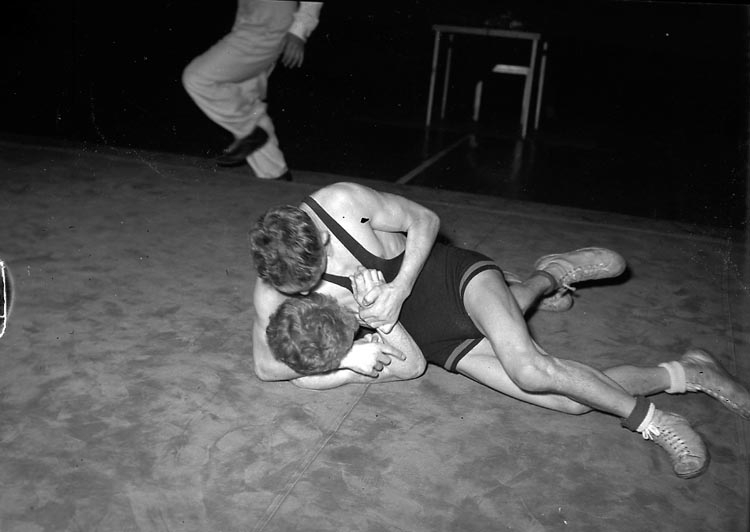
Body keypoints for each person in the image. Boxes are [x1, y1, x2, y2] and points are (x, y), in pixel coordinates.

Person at [249, 182, 750, 479]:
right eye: (296, 290)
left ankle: (654, 420)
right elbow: (266, 366)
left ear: (318, 237)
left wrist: (398, 288)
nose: (307, 292)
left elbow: (425, 220)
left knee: (530, 368)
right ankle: (687, 370)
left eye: (312, 279)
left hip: (450, 277)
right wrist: (346, 357)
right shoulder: (274, 287)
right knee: (571, 402)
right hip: (428, 335)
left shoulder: (341, 202)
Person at [182, 1, 323, 179]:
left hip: (266, 26)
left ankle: (250, 131)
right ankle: (275, 174)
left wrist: (299, 31)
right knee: (246, 99)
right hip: (250, 23)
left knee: (198, 78)